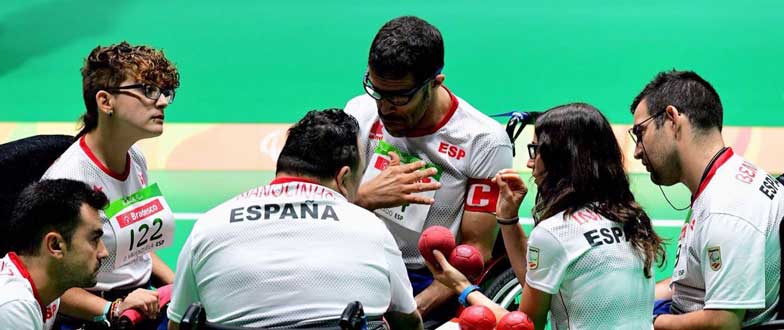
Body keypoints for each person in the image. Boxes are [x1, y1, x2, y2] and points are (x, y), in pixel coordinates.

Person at [167, 109, 422, 329]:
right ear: (344, 178)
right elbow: (408, 323)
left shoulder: (209, 225)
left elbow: (178, 323)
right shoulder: (372, 230)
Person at [429, 103, 667, 329]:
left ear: (560, 158)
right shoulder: (633, 218)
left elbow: (526, 325)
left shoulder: (556, 231)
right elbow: (539, 280)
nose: (529, 162)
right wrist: (508, 219)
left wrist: (463, 287)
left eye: (535, 150)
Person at [343, 16, 513, 324]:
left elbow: (475, 248)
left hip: (429, 280)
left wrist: (412, 311)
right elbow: (325, 206)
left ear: (435, 81)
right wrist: (364, 198)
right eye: (377, 91)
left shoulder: (484, 141)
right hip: (360, 265)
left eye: (399, 97)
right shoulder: (358, 112)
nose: (384, 107)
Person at [42, 41, 180, 329]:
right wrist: (112, 308)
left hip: (144, 303)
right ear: (105, 102)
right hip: (94, 316)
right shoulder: (70, 181)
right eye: (147, 90)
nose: (163, 101)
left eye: (164, 92)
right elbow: (46, 281)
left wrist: (178, 284)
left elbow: (133, 247)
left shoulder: (135, 158)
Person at [630, 70, 784, 329]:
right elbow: (693, 281)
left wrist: (651, 322)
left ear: (671, 119)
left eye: (640, 132)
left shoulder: (727, 207)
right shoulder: (724, 178)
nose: (636, 151)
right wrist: (630, 299)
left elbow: (722, 323)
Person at [0, 179, 109, 330]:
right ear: (55, 245)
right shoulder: (12, 307)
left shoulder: (46, 287)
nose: (104, 252)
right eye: (94, 239)